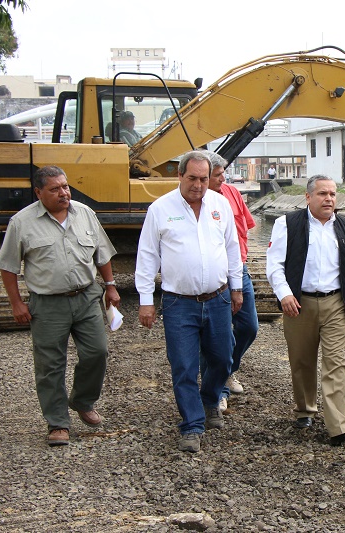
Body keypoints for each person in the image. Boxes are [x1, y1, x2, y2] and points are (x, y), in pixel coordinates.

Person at [0, 165, 120, 447]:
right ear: (39, 192)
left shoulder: (84, 213)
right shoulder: (21, 222)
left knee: (97, 352)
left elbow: (102, 253)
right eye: (55, 189)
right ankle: (57, 423)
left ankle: (82, 401)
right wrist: (16, 303)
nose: (63, 193)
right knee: (50, 365)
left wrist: (110, 286)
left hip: (87, 297)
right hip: (48, 304)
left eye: (65, 186)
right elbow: (7, 267)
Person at [135, 150, 243, 454]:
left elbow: (232, 249)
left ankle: (210, 400)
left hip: (219, 297)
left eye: (204, 178)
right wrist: (145, 299)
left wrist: (237, 289)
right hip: (178, 302)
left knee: (223, 357)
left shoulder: (220, 205)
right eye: (192, 178)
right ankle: (192, 425)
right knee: (183, 366)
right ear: (179, 176)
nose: (198, 184)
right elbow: (147, 256)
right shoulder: (160, 209)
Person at [266, 175, 345, 448]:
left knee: (336, 364)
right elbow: (274, 265)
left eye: (333, 194)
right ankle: (305, 410)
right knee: (302, 362)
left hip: (336, 303)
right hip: (299, 304)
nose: (329, 199)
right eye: (323, 194)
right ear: (308, 197)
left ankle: (338, 427)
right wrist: (285, 294)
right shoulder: (286, 224)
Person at [201, 152, 259, 411]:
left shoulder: (231, 193)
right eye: (217, 175)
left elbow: (245, 226)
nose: (223, 178)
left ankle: (226, 371)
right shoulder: (197, 201)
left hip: (239, 270)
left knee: (248, 327)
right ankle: (217, 389)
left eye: (224, 173)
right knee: (214, 335)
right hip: (213, 276)